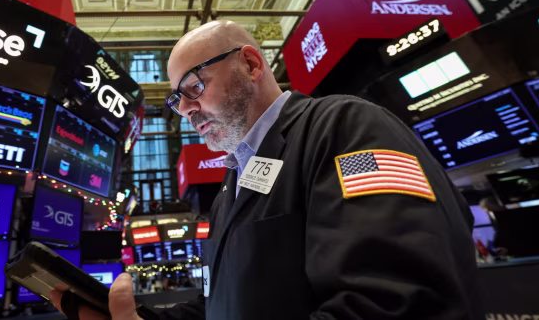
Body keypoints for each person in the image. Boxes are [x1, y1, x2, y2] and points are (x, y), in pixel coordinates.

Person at [52, 20, 482, 319]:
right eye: (176, 100)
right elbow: (225, 305)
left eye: (194, 88)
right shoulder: (232, 183)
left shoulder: (345, 126)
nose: (184, 110)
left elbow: (398, 301)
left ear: (252, 65)